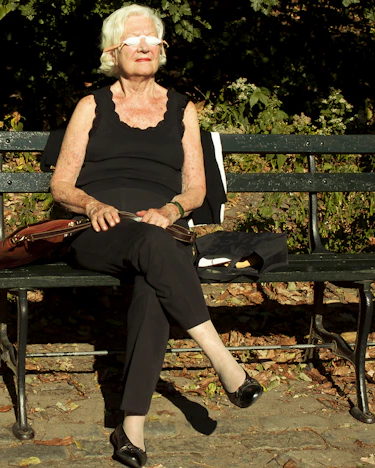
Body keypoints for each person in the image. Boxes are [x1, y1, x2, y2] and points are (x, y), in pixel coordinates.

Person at [50, 5, 263, 468]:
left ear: (162, 50)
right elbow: (61, 185)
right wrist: (92, 204)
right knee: (152, 245)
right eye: (133, 40)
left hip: (160, 230)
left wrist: (171, 209)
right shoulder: (92, 106)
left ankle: (131, 428)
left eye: (152, 40)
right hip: (98, 228)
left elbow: (197, 187)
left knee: (153, 279)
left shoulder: (183, 109)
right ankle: (224, 360)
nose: (144, 47)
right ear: (112, 51)